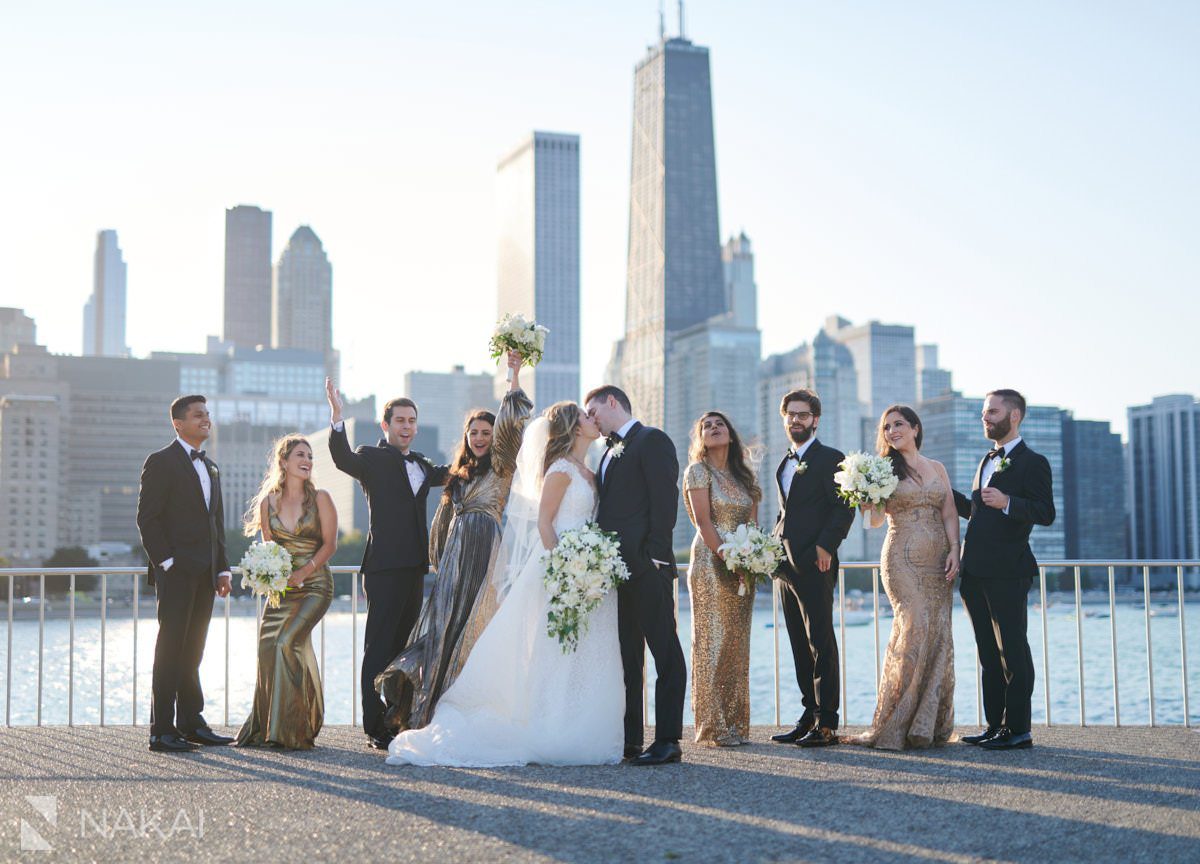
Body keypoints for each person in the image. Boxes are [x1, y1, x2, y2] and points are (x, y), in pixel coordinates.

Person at [386, 402, 623, 767]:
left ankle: (576, 725)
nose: (594, 420)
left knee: (580, 654)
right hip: (560, 569)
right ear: (574, 428)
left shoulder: (590, 472)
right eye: (586, 417)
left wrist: (589, 567)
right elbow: (545, 523)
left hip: (587, 572)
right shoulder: (560, 470)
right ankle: (546, 726)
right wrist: (566, 571)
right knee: (550, 651)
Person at [375, 350, 533, 731]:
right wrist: (439, 559)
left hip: (486, 551)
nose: (480, 437)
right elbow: (442, 521)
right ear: (466, 437)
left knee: (475, 626)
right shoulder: (458, 475)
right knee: (444, 624)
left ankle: (473, 708)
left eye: (486, 432)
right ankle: (431, 705)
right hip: (454, 560)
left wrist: (512, 374)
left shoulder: (502, 464)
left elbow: (513, 425)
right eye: (473, 432)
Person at [325, 380, 449, 750]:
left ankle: (399, 717)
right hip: (382, 569)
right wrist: (337, 418)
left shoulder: (422, 465)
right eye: (400, 421)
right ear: (386, 425)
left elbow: (452, 474)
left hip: (414, 568)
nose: (407, 426)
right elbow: (342, 459)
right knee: (377, 650)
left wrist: (484, 447)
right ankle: (373, 725)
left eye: (412, 420)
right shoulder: (371, 457)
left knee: (404, 648)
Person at [586, 385, 687, 766]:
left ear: (612, 402)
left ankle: (668, 740)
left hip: (647, 567)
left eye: (593, 411)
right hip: (617, 570)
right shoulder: (608, 451)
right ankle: (631, 740)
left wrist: (654, 555)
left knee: (665, 652)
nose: (591, 420)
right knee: (629, 657)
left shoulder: (651, 440)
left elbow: (665, 500)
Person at [852, 406, 958, 750]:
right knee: (915, 626)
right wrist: (866, 499)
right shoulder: (883, 470)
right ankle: (896, 720)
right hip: (901, 560)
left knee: (938, 630)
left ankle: (927, 724)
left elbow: (949, 511)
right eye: (886, 427)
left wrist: (956, 549)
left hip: (939, 562)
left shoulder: (937, 468)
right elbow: (875, 522)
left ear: (915, 428)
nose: (892, 431)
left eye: (899, 424)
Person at [135, 395, 234, 753]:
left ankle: (191, 722)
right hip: (176, 574)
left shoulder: (211, 467)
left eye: (207, 414)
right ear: (178, 423)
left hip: (207, 574)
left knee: (193, 650)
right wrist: (167, 564)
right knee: (169, 651)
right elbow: (147, 518)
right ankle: (161, 730)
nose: (205, 420)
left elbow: (216, 525)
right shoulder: (161, 462)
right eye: (197, 415)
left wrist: (222, 567)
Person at [959, 389, 1055, 751]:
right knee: (987, 652)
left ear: (1014, 416)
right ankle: (994, 725)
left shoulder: (1034, 462)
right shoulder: (985, 460)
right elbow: (978, 512)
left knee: (1013, 650)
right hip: (975, 572)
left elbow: (1045, 512)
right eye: (984, 412)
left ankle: (1019, 730)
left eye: (992, 412)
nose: (985, 418)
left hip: (1009, 571)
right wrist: (940, 492)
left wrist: (1008, 502)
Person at [236, 436, 337, 749]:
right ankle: (270, 726)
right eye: (300, 455)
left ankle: (294, 729)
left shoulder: (321, 498)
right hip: (282, 591)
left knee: (286, 642)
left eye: (309, 456)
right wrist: (270, 576)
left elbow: (330, 545)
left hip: (315, 585)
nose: (307, 460)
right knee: (269, 648)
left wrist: (304, 572)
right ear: (283, 462)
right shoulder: (268, 502)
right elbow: (270, 549)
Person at [769, 389, 854, 748]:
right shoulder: (784, 462)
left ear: (815, 420)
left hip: (815, 562)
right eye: (790, 414)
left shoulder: (831, 458)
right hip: (783, 566)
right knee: (798, 644)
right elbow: (786, 513)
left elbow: (844, 506)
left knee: (821, 641)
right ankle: (808, 714)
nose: (796, 420)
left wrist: (826, 546)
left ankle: (827, 723)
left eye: (803, 415)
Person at [682, 411, 762, 747]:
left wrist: (753, 558)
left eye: (720, 424)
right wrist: (728, 557)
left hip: (744, 568)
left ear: (731, 433)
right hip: (711, 563)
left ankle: (735, 723)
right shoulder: (697, 472)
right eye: (707, 426)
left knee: (735, 645)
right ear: (700, 438)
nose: (714, 428)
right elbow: (703, 522)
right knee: (712, 644)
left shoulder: (746, 478)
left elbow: (754, 526)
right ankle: (712, 726)